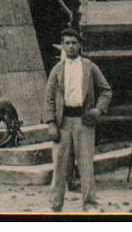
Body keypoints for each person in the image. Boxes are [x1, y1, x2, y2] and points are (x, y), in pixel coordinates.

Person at [43, 28, 113, 213]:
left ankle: (89, 203)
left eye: (74, 43)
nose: (71, 47)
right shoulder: (57, 70)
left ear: (80, 45)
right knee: (59, 166)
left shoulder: (89, 67)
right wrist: (51, 123)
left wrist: (98, 108)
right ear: (63, 46)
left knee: (86, 164)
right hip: (63, 122)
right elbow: (49, 98)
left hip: (84, 122)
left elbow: (106, 90)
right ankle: (55, 205)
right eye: (67, 43)